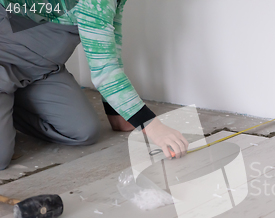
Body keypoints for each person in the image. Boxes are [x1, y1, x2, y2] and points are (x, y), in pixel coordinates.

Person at [0, 0, 189, 170]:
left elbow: (110, 49)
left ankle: (8, 107)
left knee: (83, 131)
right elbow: (105, 73)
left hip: (42, 70)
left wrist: (117, 112)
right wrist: (153, 127)